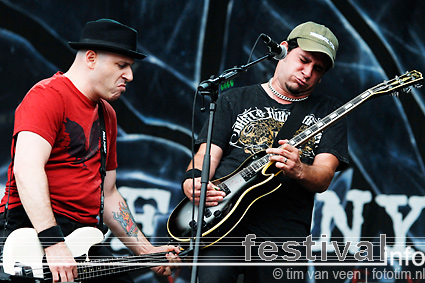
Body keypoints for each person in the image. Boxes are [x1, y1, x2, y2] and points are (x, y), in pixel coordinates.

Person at [0, 19, 179, 282]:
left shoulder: (107, 114)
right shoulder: (48, 96)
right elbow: (27, 169)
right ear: (91, 58)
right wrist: (53, 242)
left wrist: (147, 251)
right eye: (122, 65)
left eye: (130, 67)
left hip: (83, 236)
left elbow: (109, 193)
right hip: (35, 232)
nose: (129, 75)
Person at [181, 21, 349, 282]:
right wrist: (194, 178)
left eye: (317, 69)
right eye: (303, 60)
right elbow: (208, 153)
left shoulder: (330, 112)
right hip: (223, 221)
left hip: (284, 233)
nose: (307, 72)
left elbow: (325, 175)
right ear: (282, 50)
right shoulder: (233, 99)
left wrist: (300, 169)